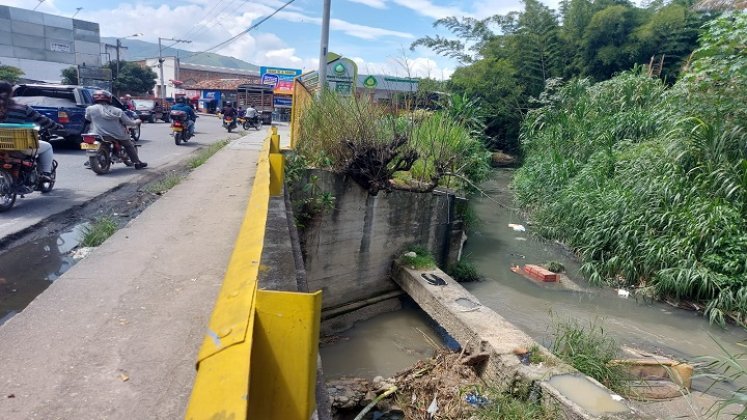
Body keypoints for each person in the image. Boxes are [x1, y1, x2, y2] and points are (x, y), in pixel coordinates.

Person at [0, 81, 62, 182]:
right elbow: (42, 120)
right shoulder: (22, 108)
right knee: (47, 147)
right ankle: (46, 173)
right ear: (11, 93)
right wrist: (57, 126)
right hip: (19, 146)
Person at [85, 90, 147, 169]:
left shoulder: (89, 109)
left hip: (96, 134)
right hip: (116, 135)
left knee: (90, 144)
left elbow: (88, 118)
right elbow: (128, 122)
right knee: (128, 145)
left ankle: (91, 160)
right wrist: (137, 122)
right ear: (109, 99)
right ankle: (137, 163)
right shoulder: (117, 111)